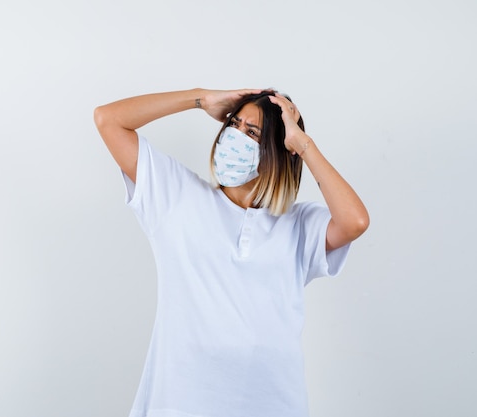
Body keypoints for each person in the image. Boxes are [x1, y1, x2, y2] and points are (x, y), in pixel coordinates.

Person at [93, 88, 369, 417]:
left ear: (280, 149)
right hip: (181, 403)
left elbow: (355, 221)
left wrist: (303, 145)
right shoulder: (178, 196)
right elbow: (108, 119)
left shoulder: (298, 226)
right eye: (233, 125)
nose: (235, 137)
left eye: (252, 132)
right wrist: (200, 99)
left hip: (274, 405)